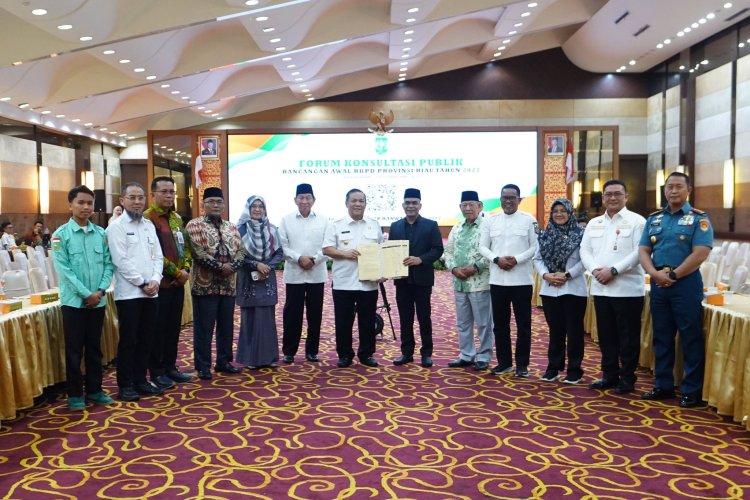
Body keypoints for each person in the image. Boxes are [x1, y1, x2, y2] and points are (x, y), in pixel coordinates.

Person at [639, 172, 713, 408]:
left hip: (685, 284)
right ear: (664, 190)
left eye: (679, 186)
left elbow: (700, 253)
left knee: (690, 337)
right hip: (659, 283)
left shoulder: (699, 219)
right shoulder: (655, 219)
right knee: (661, 336)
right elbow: (643, 250)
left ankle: (691, 390)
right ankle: (663, 385)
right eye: (669, 187)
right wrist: (654, 274)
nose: (673, 191)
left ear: (688, 190)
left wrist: (673, 275)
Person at [51, 186, 114, 410]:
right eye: (81, 202)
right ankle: (75, 394)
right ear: (70, 205)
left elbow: (108, 264)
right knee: (74, 350)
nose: (86, 207)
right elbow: (64, 271)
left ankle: (95, 390)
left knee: (95, 348)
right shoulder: (60, 235)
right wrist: (87, 294)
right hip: (74, 303)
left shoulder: (101, 234)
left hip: (98, 300)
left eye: (89, 203)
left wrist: (100, 290)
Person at [580, 180, 646, 394]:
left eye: (617, 193)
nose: (613, 198)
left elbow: (640, 252)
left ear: (626, 197)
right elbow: (584, 250)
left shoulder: (637, 221)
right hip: (601, 288)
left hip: (627, 290)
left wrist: (614, 270)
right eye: (608, 194)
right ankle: (609, 375)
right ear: (603, 198)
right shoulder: (594, 223)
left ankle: (627, 378)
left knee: (628, 338)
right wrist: (595, 270)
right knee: (606, 336)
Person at [106, 182, 164, 402]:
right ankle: (125, 384)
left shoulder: (148, 225)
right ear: (122, 200)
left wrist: (156, 280)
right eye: (132, 198)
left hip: (152, 292)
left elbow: (158, 256)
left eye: (141, 198)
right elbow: (120, 260)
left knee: (146, 339)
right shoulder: (116, 227)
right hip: (130, 294)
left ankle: (141, 380)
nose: (137, 202)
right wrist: (142, 283)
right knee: (129, 341)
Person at [185, 187, 245, 380]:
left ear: (224, 205)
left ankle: (224, 362)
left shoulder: (232, 227)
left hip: (228, 285)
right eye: (211, 201)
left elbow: (241, 251)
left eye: (219, 202)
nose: (215, 205)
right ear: (203, 204)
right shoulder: (194, 225)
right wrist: (221, 267)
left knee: (226, 327)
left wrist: (232, 266)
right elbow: (198, 252)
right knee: (204, 328)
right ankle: (203, 366)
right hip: (205, 286)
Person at [479, 183, 538, 377]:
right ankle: (504, 363)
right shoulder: (490, 220)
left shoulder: (529, 220)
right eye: (505, 197)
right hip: (498, 281)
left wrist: (516, 259)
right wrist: (497, 259)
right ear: (500, 199)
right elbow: (483, 247)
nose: (508, 201)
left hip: (522, 281)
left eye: (512, 197)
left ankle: (522, 365)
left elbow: (535, 247)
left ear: (519, 200)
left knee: (523, 325)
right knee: (500, 325)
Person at [322, 189, 383, 368]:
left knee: (367, 321)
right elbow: (326, 249)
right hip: (344, 282)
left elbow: (381, 251)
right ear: (346, 203)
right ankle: (345, 355)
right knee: (343, 321)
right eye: (354, 201)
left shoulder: (374, 224)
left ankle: (366, 354)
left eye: (361, 201)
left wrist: (383, 272)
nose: (357, 204)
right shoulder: (336, 225)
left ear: (365, 203)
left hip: (368, 283)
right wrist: (345, 254)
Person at [144, 176, 193, 387]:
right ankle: (157, 371)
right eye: (163, 191)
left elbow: (185, 247)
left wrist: (186, 269)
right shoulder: (148, 218)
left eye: (171, 191)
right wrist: (176, 273)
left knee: (173, 328)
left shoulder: (176, 218)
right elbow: (153, 253)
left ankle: (171, 367)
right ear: (153, 194)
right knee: (158, 330)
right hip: (160, 284)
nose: (168, 195)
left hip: (178, 283)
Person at [533, 198, 587, 384]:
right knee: (555, 331)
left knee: (574, 332)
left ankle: (574, 370)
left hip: (573, 289)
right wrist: (546, 275)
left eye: (563, 211)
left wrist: (567, 275)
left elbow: (585, 259)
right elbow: (537, 259)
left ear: (570, 213)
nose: (559, 214)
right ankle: (553, 368)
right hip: (550, 289)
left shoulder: (581, 234)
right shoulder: (545, 235)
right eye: (555, 211)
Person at [388, 188, 444, 368]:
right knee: (405, 318)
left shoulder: (431, 225)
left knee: (424, 318)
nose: (411, 206)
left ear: (420, 205)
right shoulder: (395, 226)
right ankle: (406, 353)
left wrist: (421, 259)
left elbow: (438, 249)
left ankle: (426, 353)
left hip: (422, 280)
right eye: (408, 203)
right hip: (402, 280)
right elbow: (390, 251)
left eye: (414, 203)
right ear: (403, 205)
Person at [279, 183, 329, 364]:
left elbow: (328, 245)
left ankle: (312, 351)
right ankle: (289, 351)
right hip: (294, 274)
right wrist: (299, 258)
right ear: (295, 200)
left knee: (315, 314)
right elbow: (282, 246)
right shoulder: (286, 220)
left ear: (314, 200)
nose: (305, 201)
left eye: (308, 197)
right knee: (292, 314)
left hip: (316, 274)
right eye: (301, 197)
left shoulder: (324, 220)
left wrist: (314, 260)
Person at [443, 190, 493, 371]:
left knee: (484, 323)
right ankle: (466, 355)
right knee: (463, 323)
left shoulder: (487, 226)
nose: (468, 208)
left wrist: (475, 267)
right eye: (464, 205)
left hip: (480, 282)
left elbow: (492, 252)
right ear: (460, 207)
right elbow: (448, 252)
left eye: (472, 204)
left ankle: (484, 356)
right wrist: (454, 268)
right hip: (460, 283)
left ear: (480, 206)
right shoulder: (457, 227)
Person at [236, 195, 283, 368]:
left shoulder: (272, 229)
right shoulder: (239, 230)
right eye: (253, 206)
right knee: (250, 318)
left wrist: (267, 267)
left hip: (267, 277)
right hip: (248, 278)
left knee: (267, 318)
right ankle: (251, 359)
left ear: (265, 209)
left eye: (260, 206)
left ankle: (268, 358)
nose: (257, 209)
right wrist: (256, 264)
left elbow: (279, 252)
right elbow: (237, 255)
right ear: (247, 209)